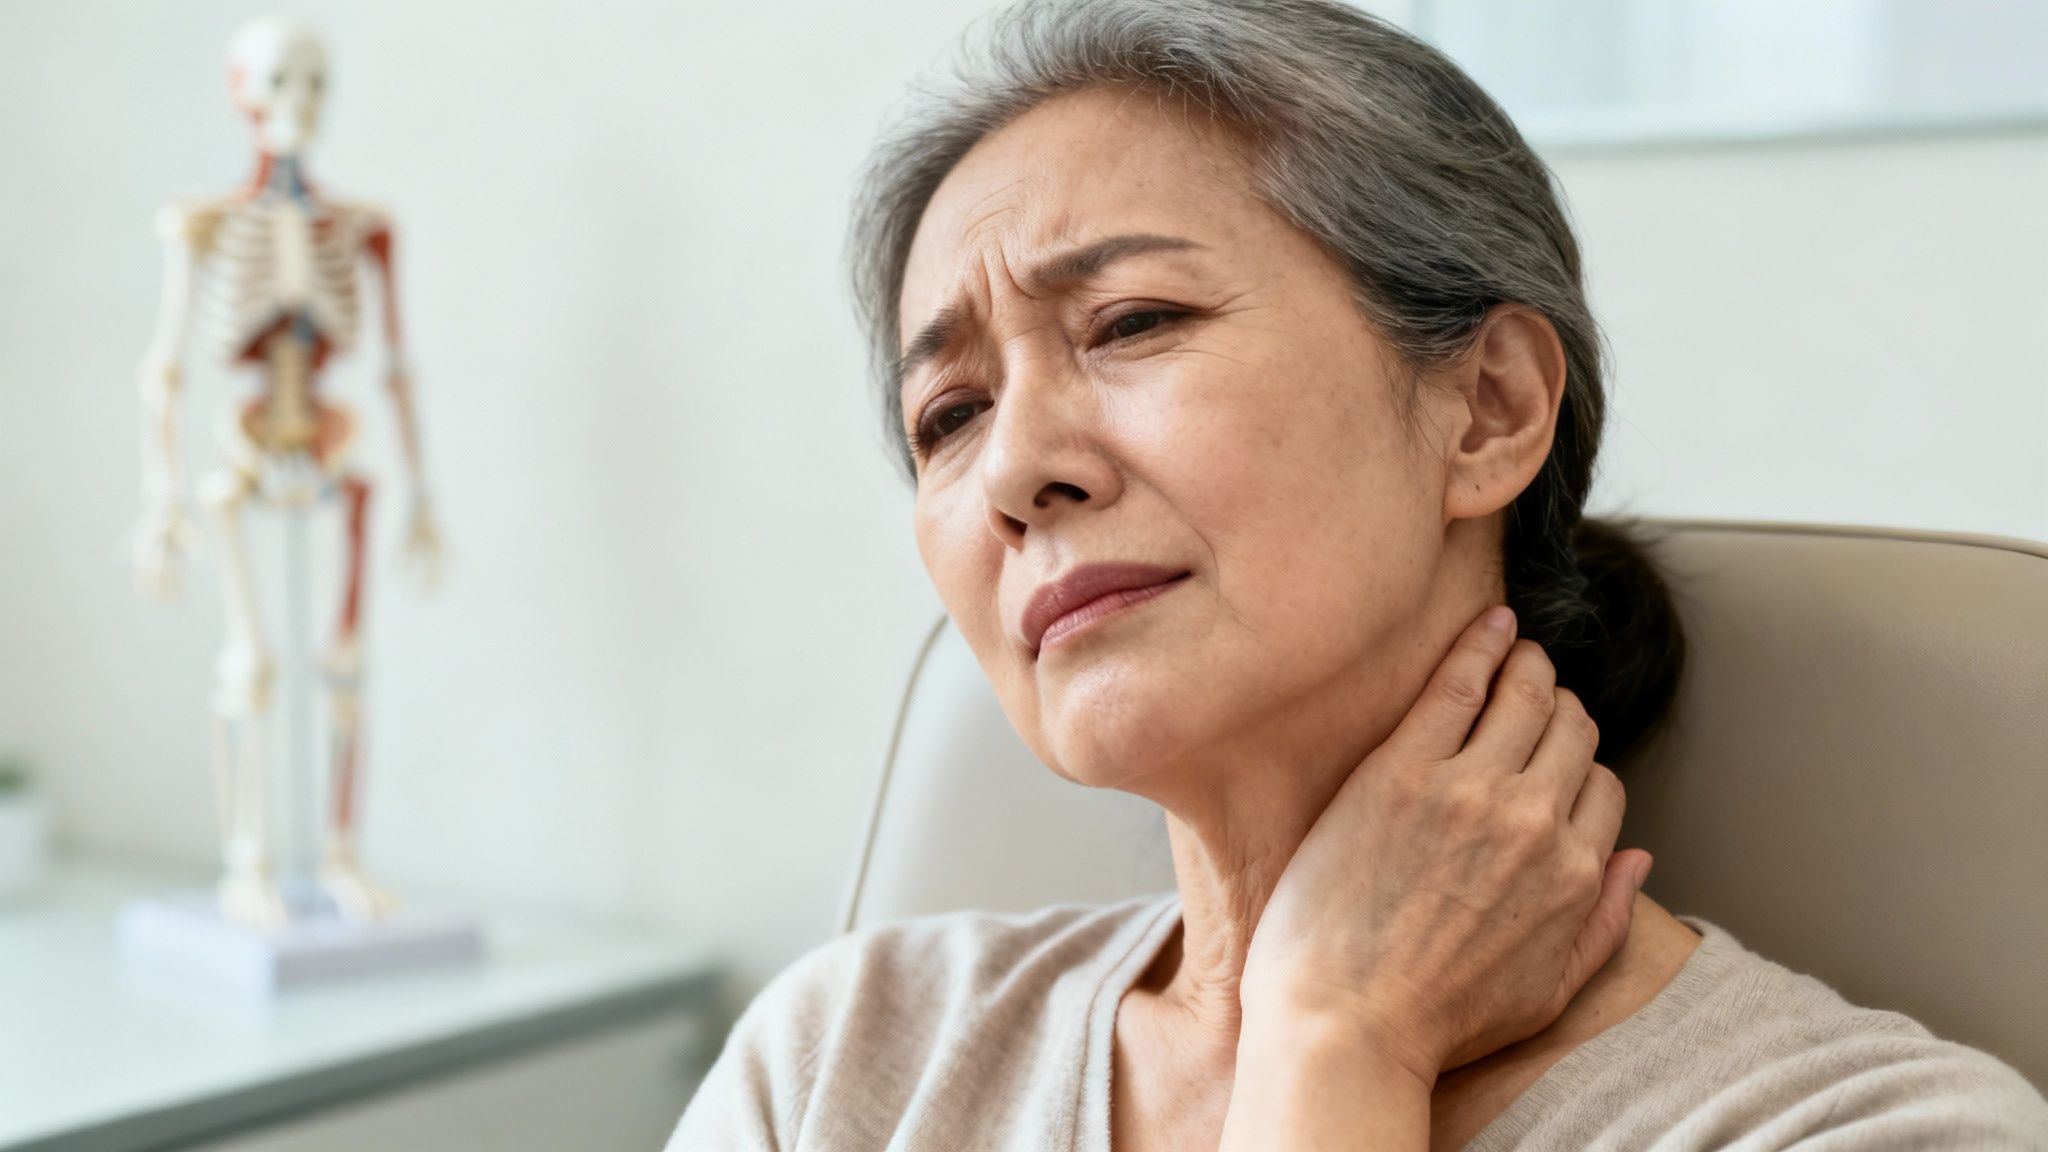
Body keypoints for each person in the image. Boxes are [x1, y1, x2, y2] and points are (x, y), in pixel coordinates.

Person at [670, 1, 2048, 1147]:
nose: (1018, 466)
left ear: (1491, 408)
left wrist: (1337, 1043)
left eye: (1132, 320)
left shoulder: (1854, 1129)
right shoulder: (838, 1063)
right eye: (949, 416)